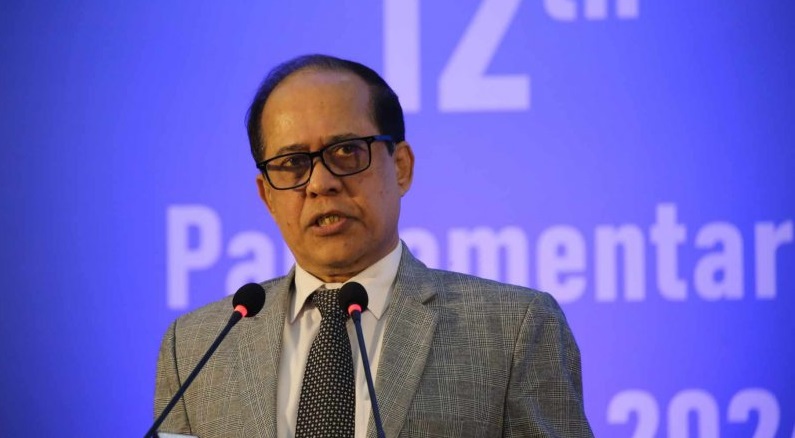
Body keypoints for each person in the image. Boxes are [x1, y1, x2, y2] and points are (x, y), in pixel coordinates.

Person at [154, 54, 594, 437]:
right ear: (267, 195)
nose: (321, 183)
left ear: (401, 167)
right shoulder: (194, 347)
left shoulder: (514, 330)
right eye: (292, 163)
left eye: (346, 151)